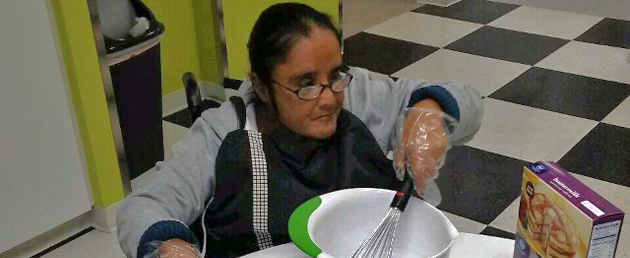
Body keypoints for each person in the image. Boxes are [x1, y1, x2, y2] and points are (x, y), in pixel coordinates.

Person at [117, 3, 483, 258]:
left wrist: (429, 111)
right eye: (305, 85)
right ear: (260, 87)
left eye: (335, 75)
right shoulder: (223, 133)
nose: (328, 99)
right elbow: (143, 205)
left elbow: (470, 101)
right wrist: (171, 247)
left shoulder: (361, 96)